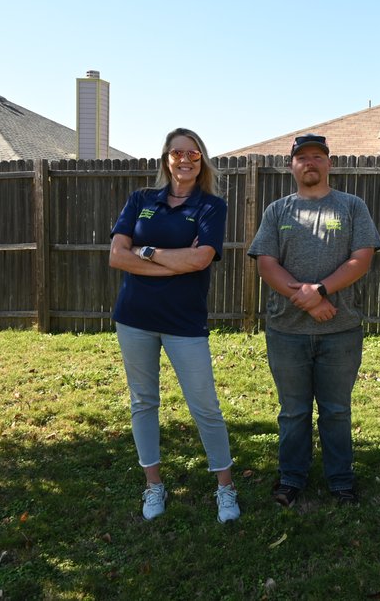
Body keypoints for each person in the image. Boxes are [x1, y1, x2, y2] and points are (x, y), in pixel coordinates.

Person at [109, 127, 240, 523]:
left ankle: (225, 488)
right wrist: (173, 262)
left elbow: (201, 260)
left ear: (202, 160)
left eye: (193, 153)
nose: (185, 160)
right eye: (177, 153)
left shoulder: (211, 206)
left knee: (205, 406)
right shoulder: (141, 200)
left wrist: (145, 253)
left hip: (185, 322)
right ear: (166, 158)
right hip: (134, 319)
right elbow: (117, 255)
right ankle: (153, 485)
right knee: (143, 402)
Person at [247, 134, 380, 507]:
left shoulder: (352, 206)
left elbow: (362, 258)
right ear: (291, 165)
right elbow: (266, 263)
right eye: (302, 157)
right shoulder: (277, 211)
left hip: (340, 329)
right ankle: (291, 478)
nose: (310, 162)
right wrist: (305, 300)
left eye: (317, 157)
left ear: (329, 163)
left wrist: (319, 290)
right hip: (286, 330)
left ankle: (340, 481)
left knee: (337, 410)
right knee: (293, 411)